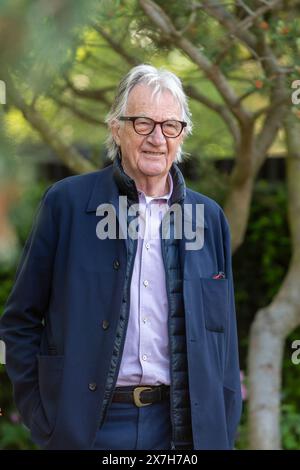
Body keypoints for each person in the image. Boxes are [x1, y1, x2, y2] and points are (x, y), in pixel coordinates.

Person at [0, 64, 242, 450]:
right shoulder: (66, 204)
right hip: (89, 429)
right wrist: (43, 415)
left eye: (169, 126)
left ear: (182, 136)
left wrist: (224, 426)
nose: (157, 139)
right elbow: (19, 320)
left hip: (184, 431)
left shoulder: (208, 218)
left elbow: (224, 334)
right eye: (143, 123)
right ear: (117, 127)